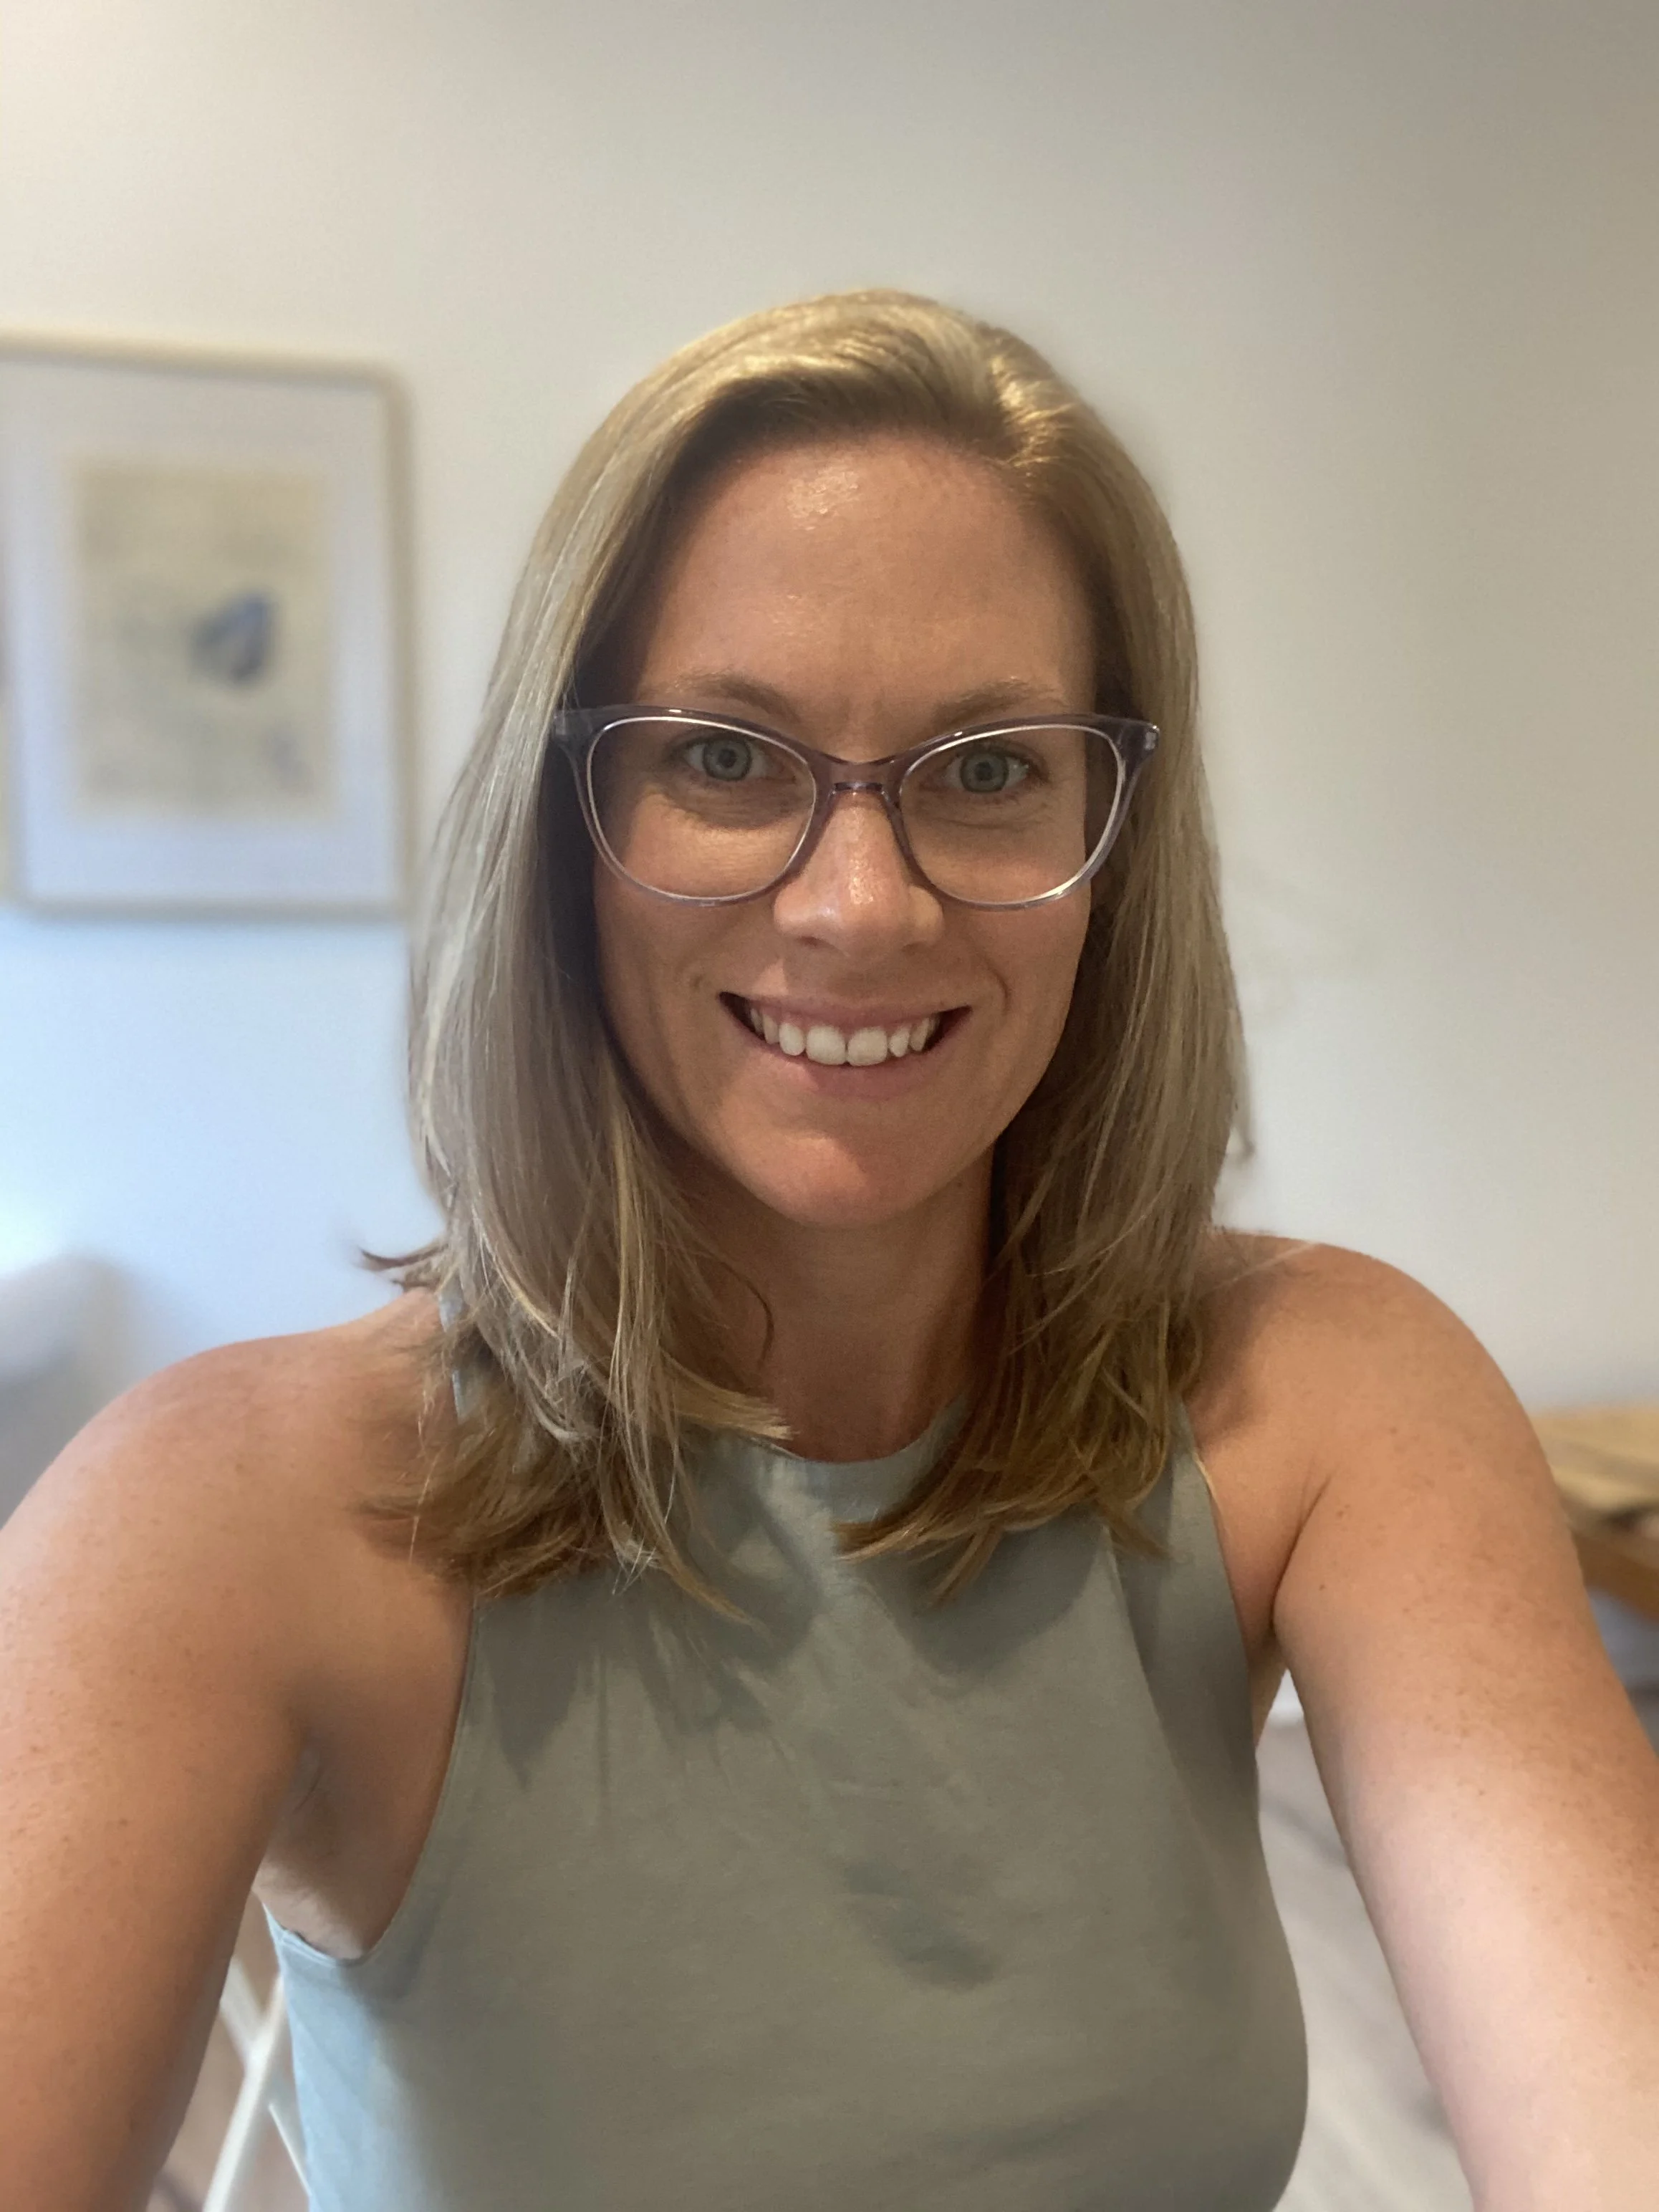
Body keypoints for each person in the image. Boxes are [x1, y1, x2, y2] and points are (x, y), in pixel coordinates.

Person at [2, 292, 1654, 2212]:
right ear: (570, 822)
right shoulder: (218, 1514)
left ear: (1111, 841)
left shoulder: (1329, 1398)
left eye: (983, 770)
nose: (858, 909)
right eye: (723, 758)